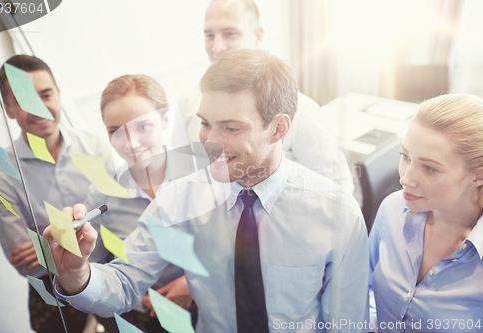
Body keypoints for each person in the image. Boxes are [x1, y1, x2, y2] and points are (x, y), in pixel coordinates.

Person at [45, 49, 369, 333]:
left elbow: (345, 323)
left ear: (278, 128)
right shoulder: (180, 198)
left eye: (230, 127)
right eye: (204, 123)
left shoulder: (336, 213)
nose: (209, 141)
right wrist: (78, 274)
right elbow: (126, 281)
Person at [0, 55, 113, 333]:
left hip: (111, 273)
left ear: (58, 95)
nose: (38, 108)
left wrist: (48, 242)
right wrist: (87, 231)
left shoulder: (95, 147)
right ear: (8, 109)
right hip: (52, 292)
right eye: (22, 99)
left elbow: (120, 224)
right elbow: (27, 264)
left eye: (45, 94)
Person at [177, 0, 354, 191]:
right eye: (209, 35)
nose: (217, 47)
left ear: (258, 36)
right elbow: (180, 175)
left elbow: (338, 188)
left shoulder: (301, 110)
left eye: (230, 34)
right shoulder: (188, 102)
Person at [86, 74, 197, 332]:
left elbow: (236, 250)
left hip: (213, 307)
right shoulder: (102, 195)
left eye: (143, 127)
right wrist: (138, 300)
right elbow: (94, 266)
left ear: (165, 120)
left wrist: (191, 285)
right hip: (148, 319)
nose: (131, 143)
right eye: (115, 131)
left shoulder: (201, 174)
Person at [369, 94, 483, 333]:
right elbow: (364, 287)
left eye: (429, 168)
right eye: (405, 156)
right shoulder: (392, 209)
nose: (404, 178)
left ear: (478, 176)